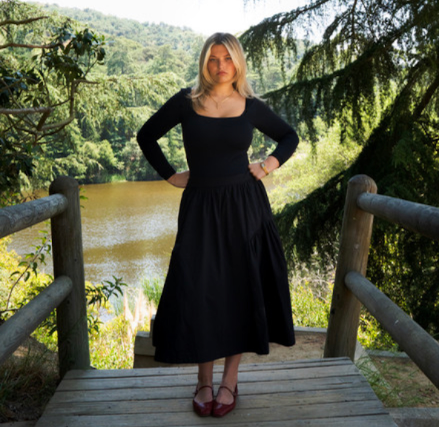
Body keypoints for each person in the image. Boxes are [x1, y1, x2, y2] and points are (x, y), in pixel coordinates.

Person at [136, 32, 298, 418]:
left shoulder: (251, 106)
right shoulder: (186, 101)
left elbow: (288, 137)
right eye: (213, 58)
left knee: (240, 289)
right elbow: (147, 136)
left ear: (237, 63)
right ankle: (203, 380)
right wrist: (170, 174)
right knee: (200, 289)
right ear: (204, 63)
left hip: (245, 207)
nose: (220, 65)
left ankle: (230, 381)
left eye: (227, 58)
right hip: (200, 208)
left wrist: (267, 165)